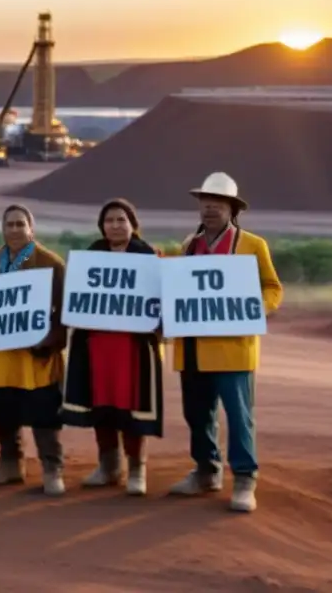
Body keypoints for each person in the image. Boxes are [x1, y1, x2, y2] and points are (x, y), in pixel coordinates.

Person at [167, 172, 283, 513]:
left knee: (238, 413)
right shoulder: (188, 245)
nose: (210, 209)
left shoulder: (252, 244)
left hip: (233, 347)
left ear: (233, 209)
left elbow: (272, 287)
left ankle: (245, 478)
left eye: (218, 204)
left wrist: (260, 307)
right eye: (205, 203)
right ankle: (206, 470)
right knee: (197, 414)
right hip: (192, 348)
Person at [61, 198, 163, 496]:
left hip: (131, 348)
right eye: (109, 221)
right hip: (96, 346)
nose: (115, 226)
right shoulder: (91, 255)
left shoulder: (147, 256)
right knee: (100, 405)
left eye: (121, 220)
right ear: (101, 226)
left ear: (133, 224)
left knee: (131, 408)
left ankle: (136, 469)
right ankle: (108, 466)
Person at [0, 204, 67, 496]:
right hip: (1, 356)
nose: (14, 230)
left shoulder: (50, 262)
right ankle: (10, 463)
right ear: (2, 229)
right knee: (4, 409)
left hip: (35, 356)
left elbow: (63, 311)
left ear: (31, 228)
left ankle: (52, 468)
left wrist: (50, 340)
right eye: (9, 225)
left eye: (19, 224)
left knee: (43, 413)